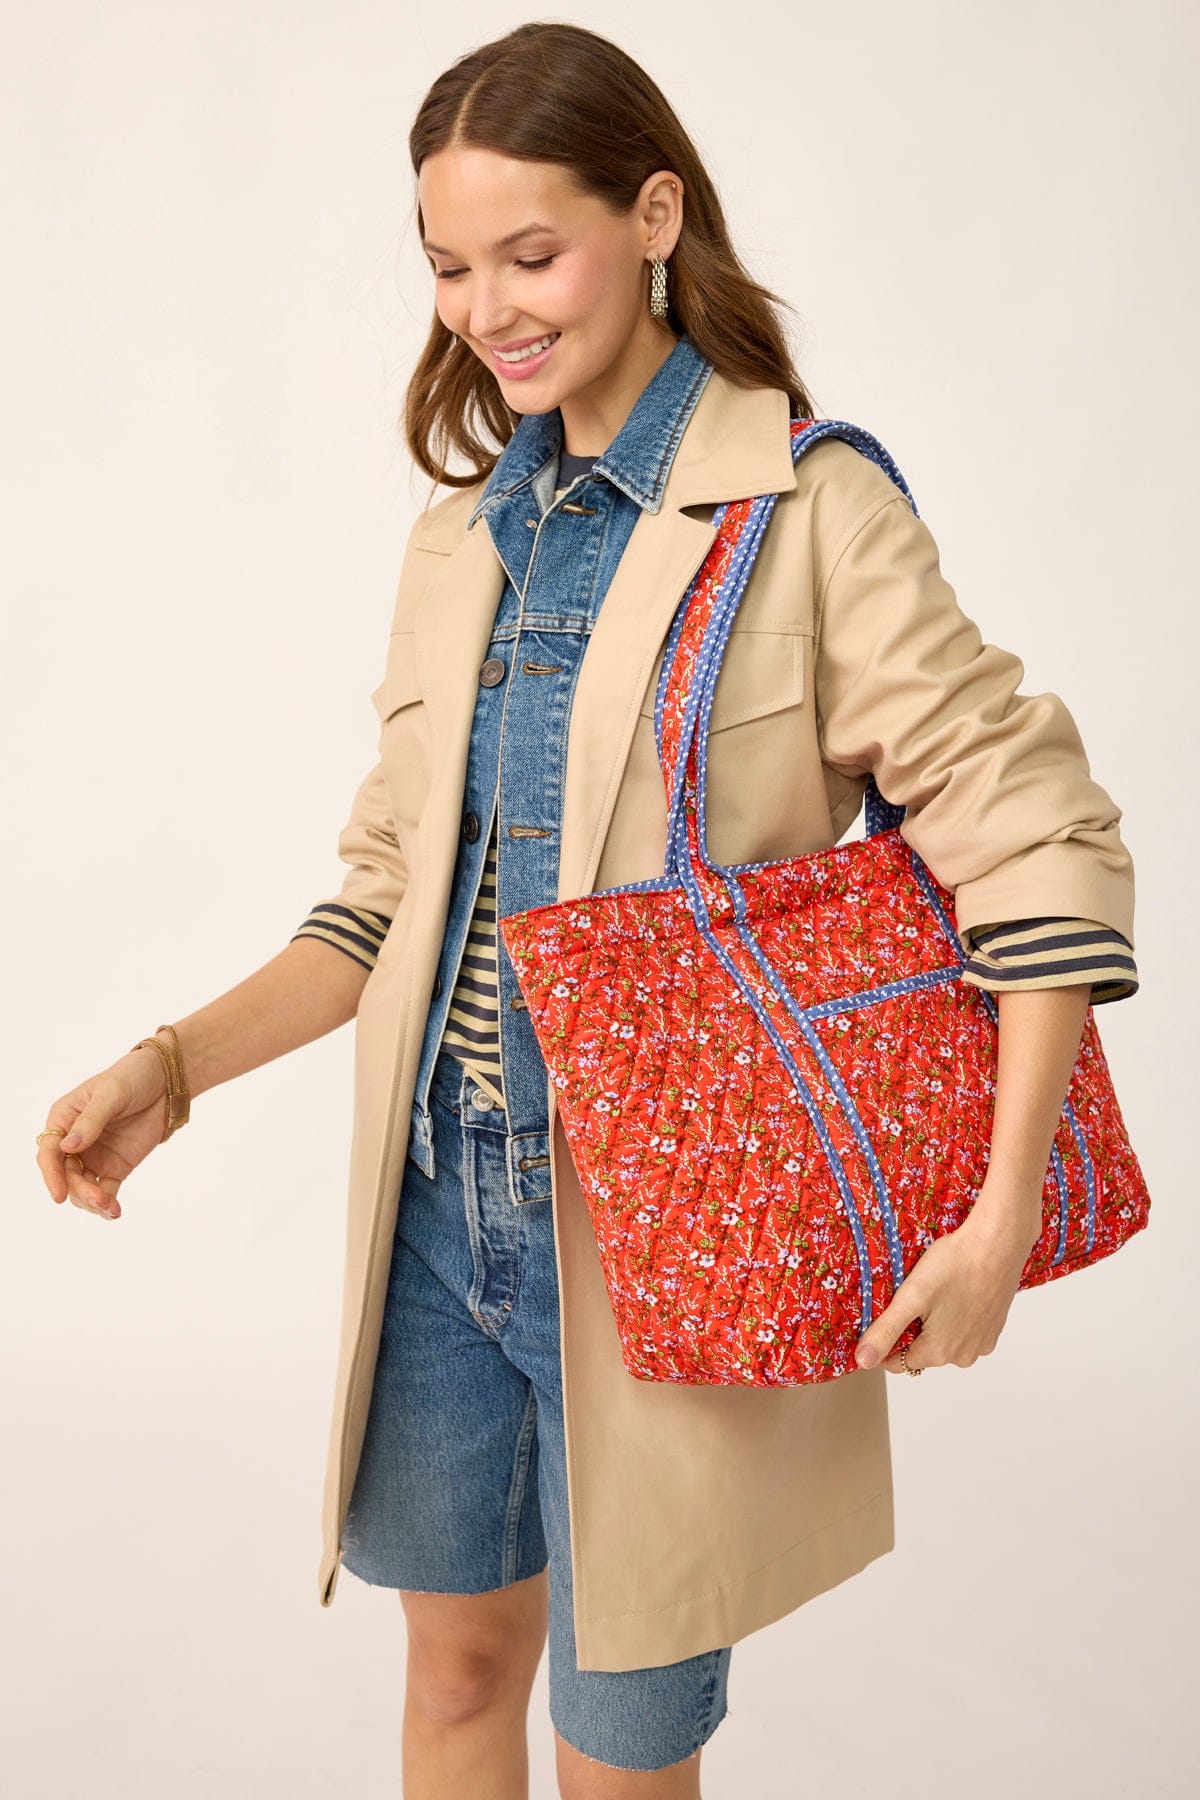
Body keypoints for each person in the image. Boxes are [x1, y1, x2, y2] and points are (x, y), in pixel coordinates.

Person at [36, 20, 1140, 1799]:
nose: (487, 308)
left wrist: (1005, 1211)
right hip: (438, 1209)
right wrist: (174, 1067)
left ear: (652, 214)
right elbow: (387, 898)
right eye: (449, 265)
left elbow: (1036, 842)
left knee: (625, 1741)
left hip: (668, 1247)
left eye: (528, 254)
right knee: (460, 1661)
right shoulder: (462, 538)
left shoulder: (809, 511)